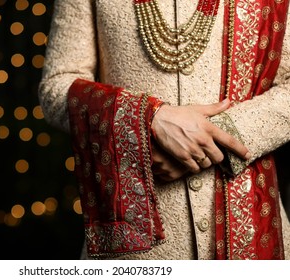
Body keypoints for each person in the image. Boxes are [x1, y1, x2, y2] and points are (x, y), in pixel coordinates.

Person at [38, 0, 290, 260]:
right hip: (136, 244)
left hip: (252, 219)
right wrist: (152, 119)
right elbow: (56, 87)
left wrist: (213, 138)